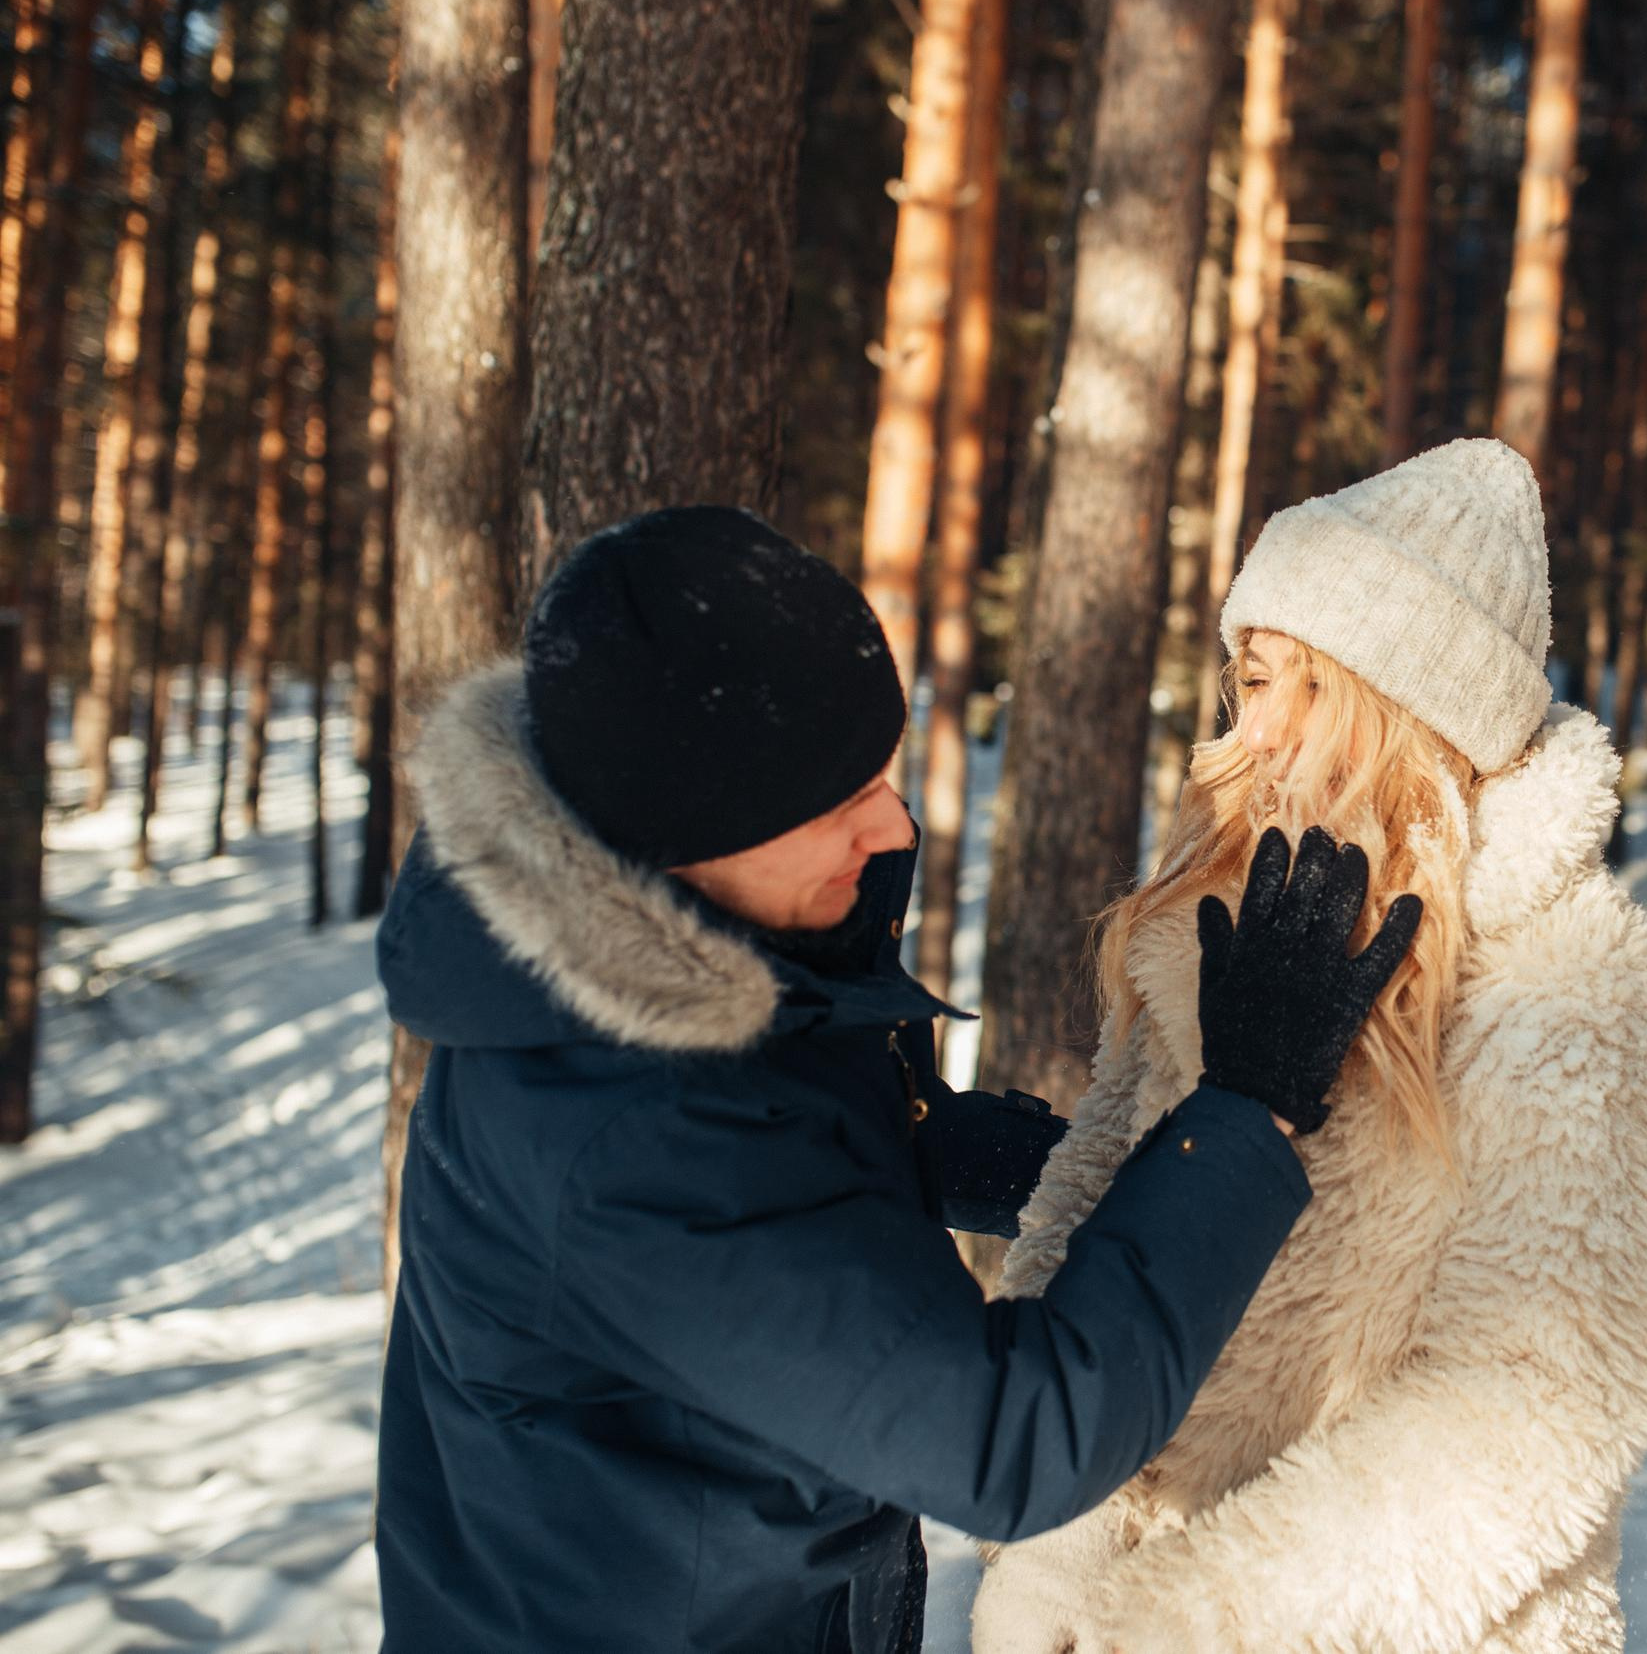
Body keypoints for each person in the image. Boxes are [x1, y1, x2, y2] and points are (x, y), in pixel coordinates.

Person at [371, 505, 1421, 1653]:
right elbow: (1014, 1441)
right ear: (674, 845)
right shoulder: (637, 1141)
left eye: (879, 769)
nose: (890, 823)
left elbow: (800, 1155)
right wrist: (1248, 1102)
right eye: (833, 808)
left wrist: (1054, 1166)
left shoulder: (675, 941)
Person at [972, 439, 1647, 1654]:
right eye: (1248, 680)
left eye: (1300, 687)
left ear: (1409, 710)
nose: (1254, 732)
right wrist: (1054, 1559)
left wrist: (1173, 1628)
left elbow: (1522, 1434)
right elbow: (1089, 1229)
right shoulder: (1215, 932)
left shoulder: (1578, 1002)